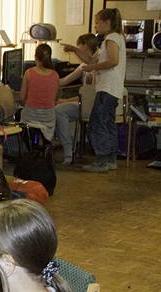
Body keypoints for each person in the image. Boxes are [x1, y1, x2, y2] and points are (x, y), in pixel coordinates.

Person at [64, 9, 126, 173]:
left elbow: (113, 61)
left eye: (98, 22)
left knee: (97, 124)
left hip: (108, 88)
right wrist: (75, 50)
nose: (96, 26)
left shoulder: (112, 39)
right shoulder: (110, 39)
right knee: (107, 124)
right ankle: (111, 160)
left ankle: (102, 161)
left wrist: (92, 68)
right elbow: (91, 59)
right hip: (110, 89)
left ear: (107, 22)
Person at [55, 34, 99, 165]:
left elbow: (88, 97)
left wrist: (65, 101)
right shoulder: (83, 66)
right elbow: (64, 81)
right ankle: (71, 148)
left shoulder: (95, 67)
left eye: (78, 46)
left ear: (85, 46)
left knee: (59, 110)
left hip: (92, 106)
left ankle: (68, 152)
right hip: (84, 104)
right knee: (63, 110)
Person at [20, 44, 60, 143]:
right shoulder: (55, 75)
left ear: (35, 57)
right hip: (48, 118)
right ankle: (44, 146)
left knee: (18, 114)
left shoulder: (29, 73)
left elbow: (21, 98)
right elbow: (55, 100)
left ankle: (31, 148)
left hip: (30, 117)